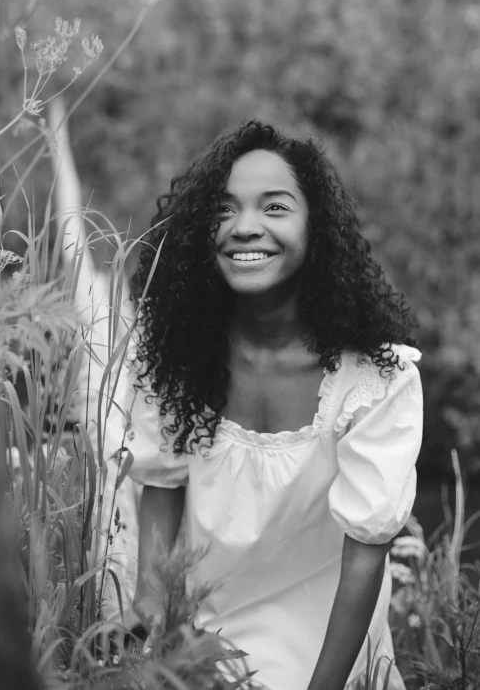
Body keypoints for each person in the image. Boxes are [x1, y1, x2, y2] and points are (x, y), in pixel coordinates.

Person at [126, 120, 423, 690]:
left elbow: (366, 553)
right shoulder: (175, 351)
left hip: (323, 640)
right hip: (201, 624)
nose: (244, 227)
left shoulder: (374, 378)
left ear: (318, 229)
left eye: (275, 208)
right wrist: (151, 617)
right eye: (223, 209)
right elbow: (162, 484)